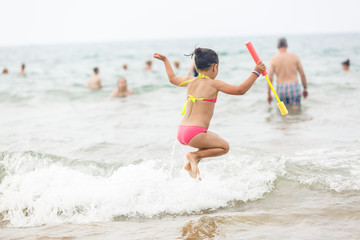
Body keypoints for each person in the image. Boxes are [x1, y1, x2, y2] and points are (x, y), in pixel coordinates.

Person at [154, 48, 266, 179]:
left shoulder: (190, 81)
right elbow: (240, 90)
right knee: (224, 147)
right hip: (195, 133)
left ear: (196, 65)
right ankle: (194, 156)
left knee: (214, 138)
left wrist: (166, 60)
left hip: (182, 131)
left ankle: (191, 163)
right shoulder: (214, 84)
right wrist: (256, 72)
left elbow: (172, 79)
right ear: (215, 67)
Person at [268, 38, 308, 109]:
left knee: (283, 112)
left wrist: (269, 94)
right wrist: (305, 89)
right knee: (296, 111)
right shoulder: (295, 57)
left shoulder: (273, 59)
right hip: (294, 86)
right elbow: (302, 74)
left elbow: (270, 78)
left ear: (277, 47)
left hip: (281, 88)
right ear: (287, 45)